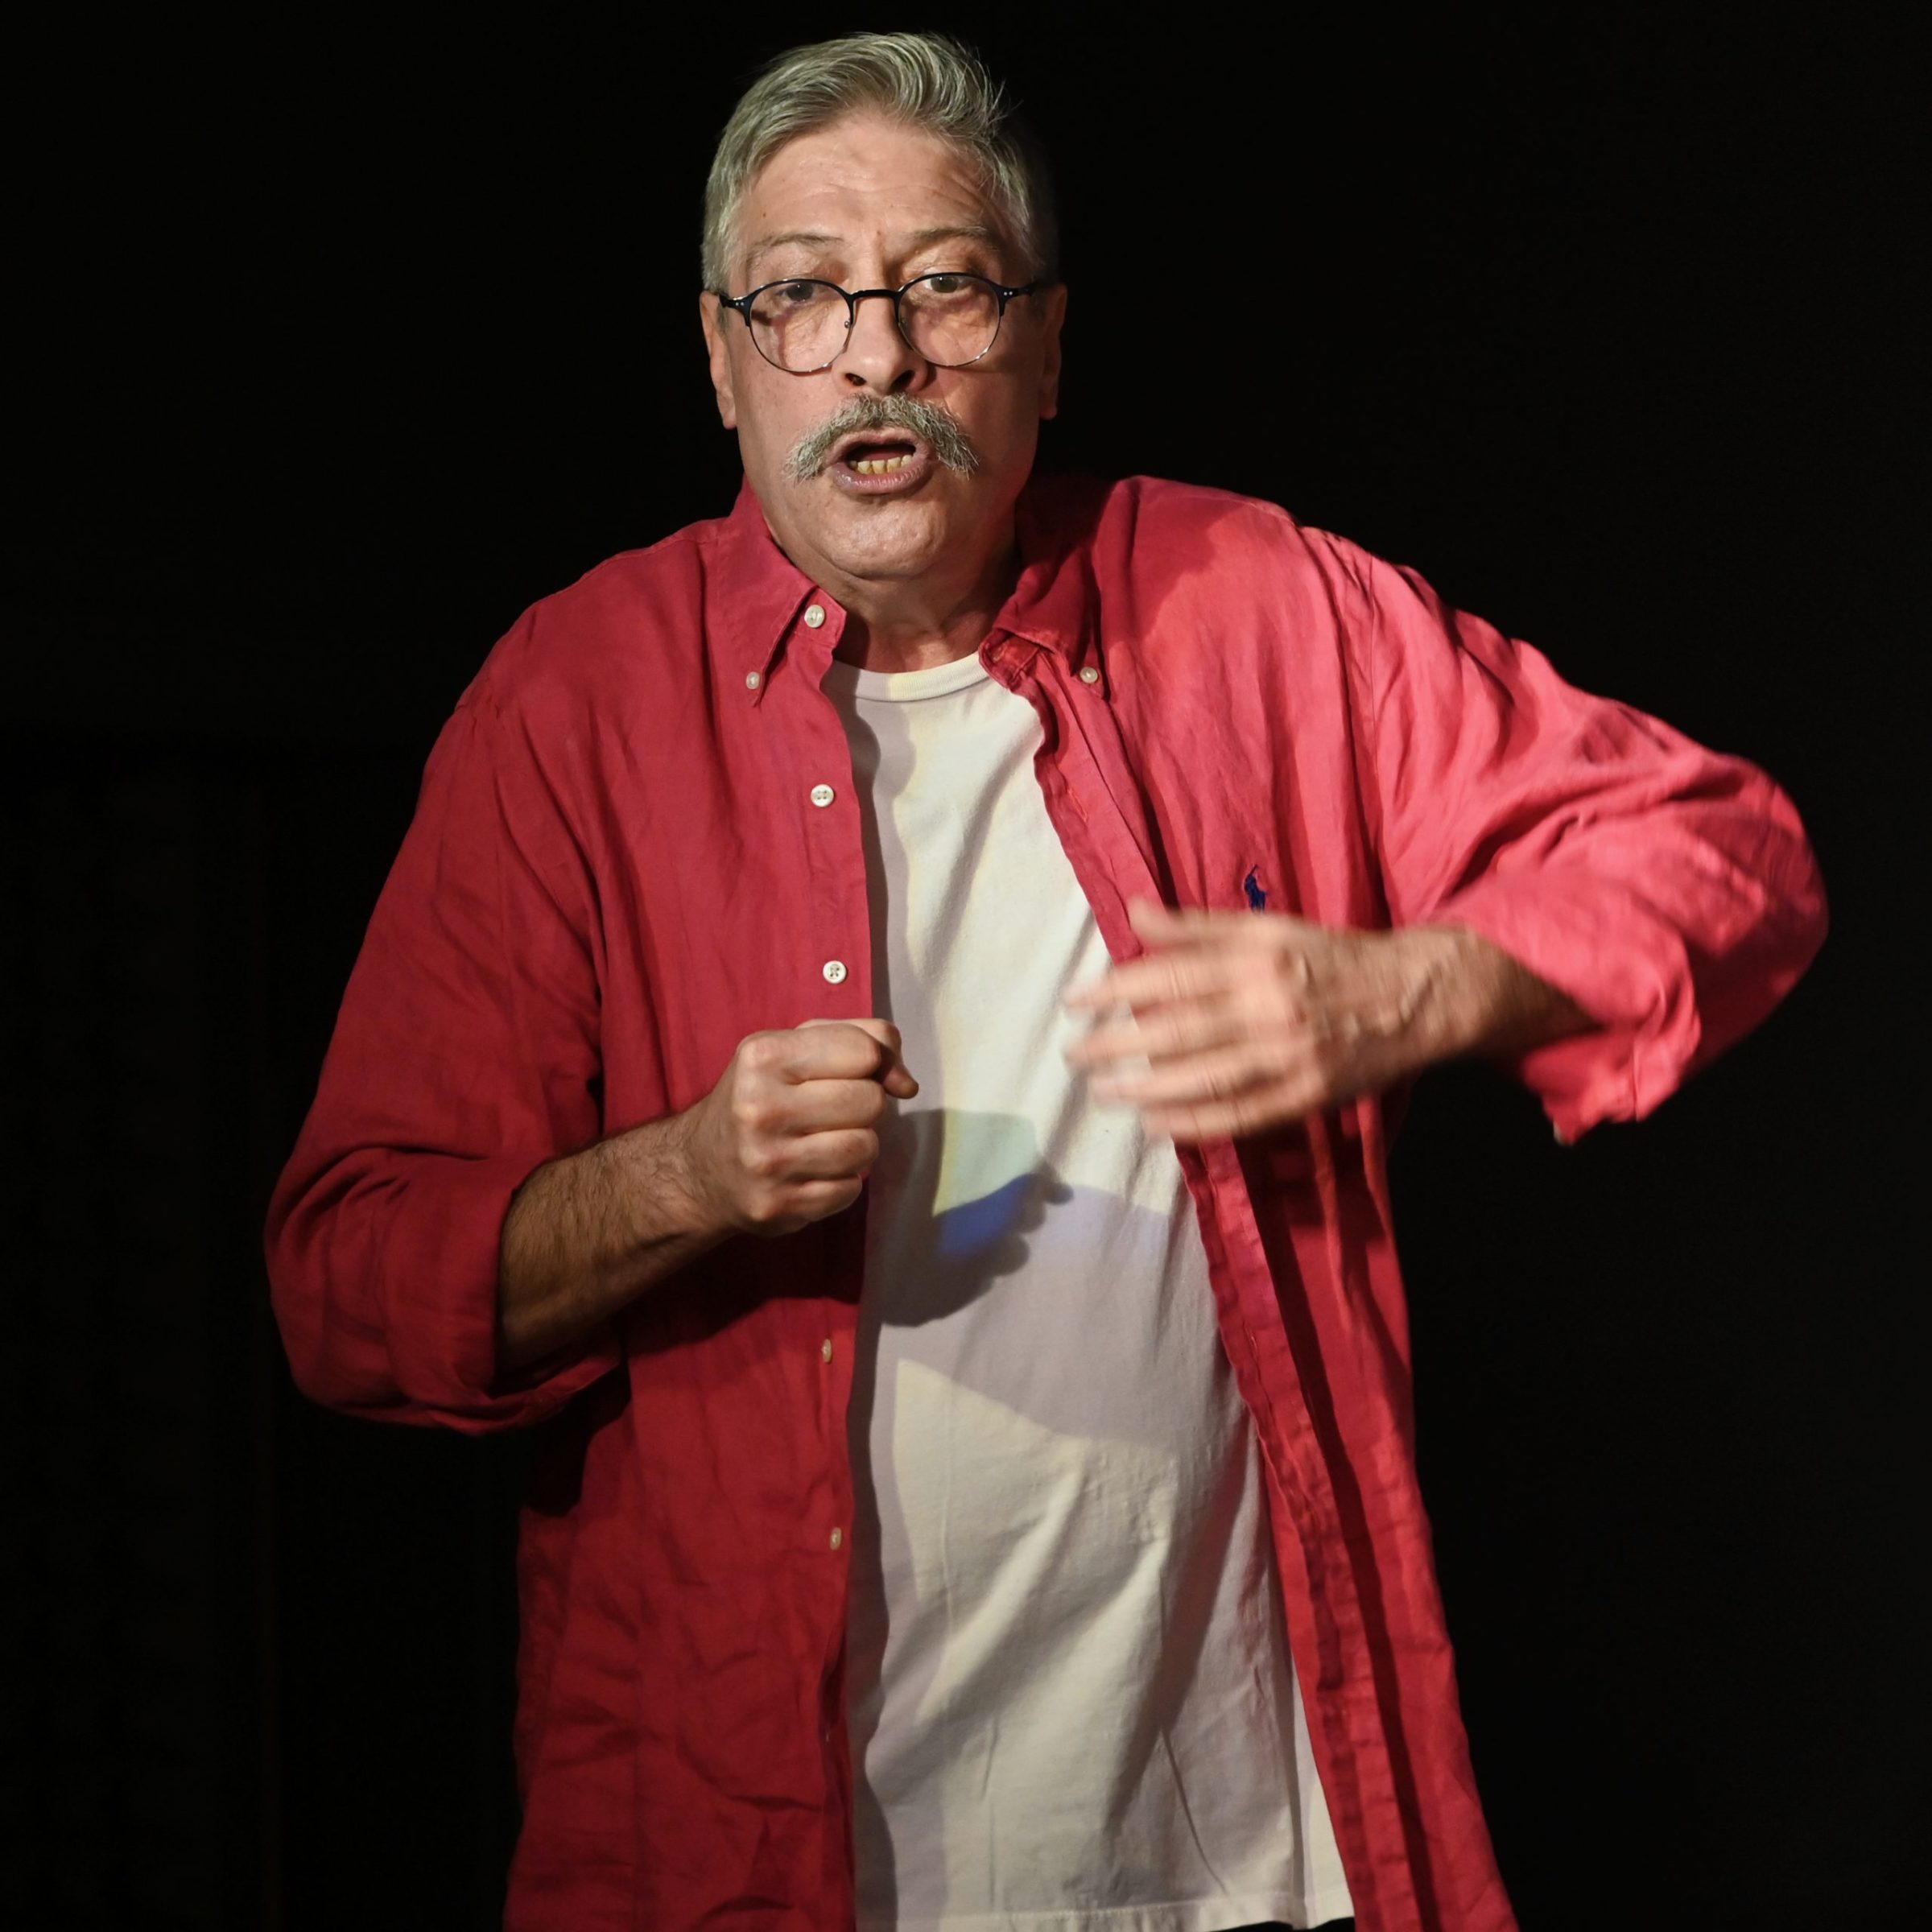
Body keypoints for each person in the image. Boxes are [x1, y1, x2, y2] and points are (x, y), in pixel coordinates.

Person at [263, 31, 1826, 1932]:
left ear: (1048, 343)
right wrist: (684, 1177)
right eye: (803, 296)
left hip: (1238, 1867)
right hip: (760, 1864)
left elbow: (1721, 855)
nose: (878, 357)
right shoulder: (573, 702)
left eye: (945, 288)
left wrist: (1406, 993)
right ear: (722, 361)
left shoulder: (1252, 605)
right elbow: (351, 1287)